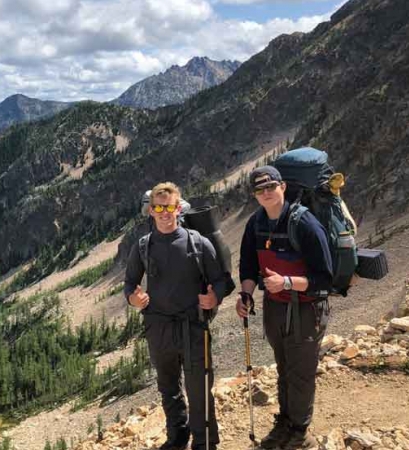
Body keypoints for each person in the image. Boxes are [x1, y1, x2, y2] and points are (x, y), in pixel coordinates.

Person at [125, 182, 229, 450]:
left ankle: (205, 443)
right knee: (168, 387)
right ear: (150, 210)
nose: (164, 212)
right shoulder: (143, 247)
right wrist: (133, 298)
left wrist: (214, 296)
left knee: (198, 388)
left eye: (169, 206)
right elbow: (129, 283)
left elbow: (222, 280)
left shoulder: (198, 242)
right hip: (158, 327)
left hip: (193, 325)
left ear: (178, 207)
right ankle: (177, 437)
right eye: (158, 207)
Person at [236, 166, 333, 450]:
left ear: (283, 187)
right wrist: (246, 295)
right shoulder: (255, 223)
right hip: (275, 306)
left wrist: (288, 282)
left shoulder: (304, 223)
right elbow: (248, 265)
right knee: (284, 367)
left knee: (300, 371)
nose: (266, 193)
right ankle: (286, 424)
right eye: (259, 189)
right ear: (254, 195)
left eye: (271, 186)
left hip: (305, 308)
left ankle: (301, 434)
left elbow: (324, 278)